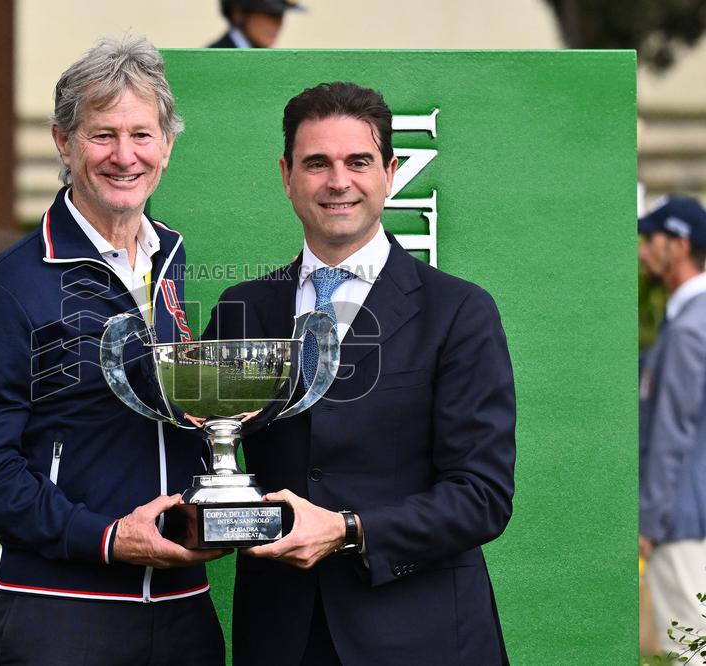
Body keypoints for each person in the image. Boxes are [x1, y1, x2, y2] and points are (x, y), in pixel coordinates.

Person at [203, 81, 516, 665]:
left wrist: (349, 529)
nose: (338, 181)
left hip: (422, 638)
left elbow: (482, 496)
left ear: (390, 174)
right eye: (316, 163)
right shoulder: (243, 308)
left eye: (359, 162)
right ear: (287, 175)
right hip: (281, 637)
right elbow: (204, 453)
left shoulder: (459, 312)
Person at [0, 36, 227, 666]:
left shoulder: (170, 260)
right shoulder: (12, 286)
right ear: (64, 143)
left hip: (184, 608)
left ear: (167, 145)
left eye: (142, 135)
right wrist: (103, 538)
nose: (125, 155)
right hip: (64, 613)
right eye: (103, 135)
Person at [638, 195, 706, 659]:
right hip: (690, 515)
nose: (643, 252)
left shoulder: (688, 329)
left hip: (680, 522)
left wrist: (649, 521)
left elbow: (672, 432)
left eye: (650, 239)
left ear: (678, 245)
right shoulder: (688, 321)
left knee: (690, 652)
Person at [208, 0, 302, 49]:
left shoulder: (265, 60)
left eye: (281, 15)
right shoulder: (212, 60)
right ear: (238, 13)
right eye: (270, 14)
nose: (278, 23)